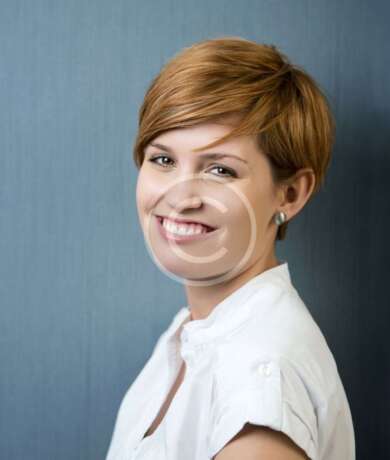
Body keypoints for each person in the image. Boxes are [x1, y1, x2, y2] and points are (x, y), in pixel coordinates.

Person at [105, 36, 356, 460]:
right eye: (163, 160)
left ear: (290, 194)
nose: (180, 197)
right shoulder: (188, 334)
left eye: (220, 170)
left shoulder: (261, 379)